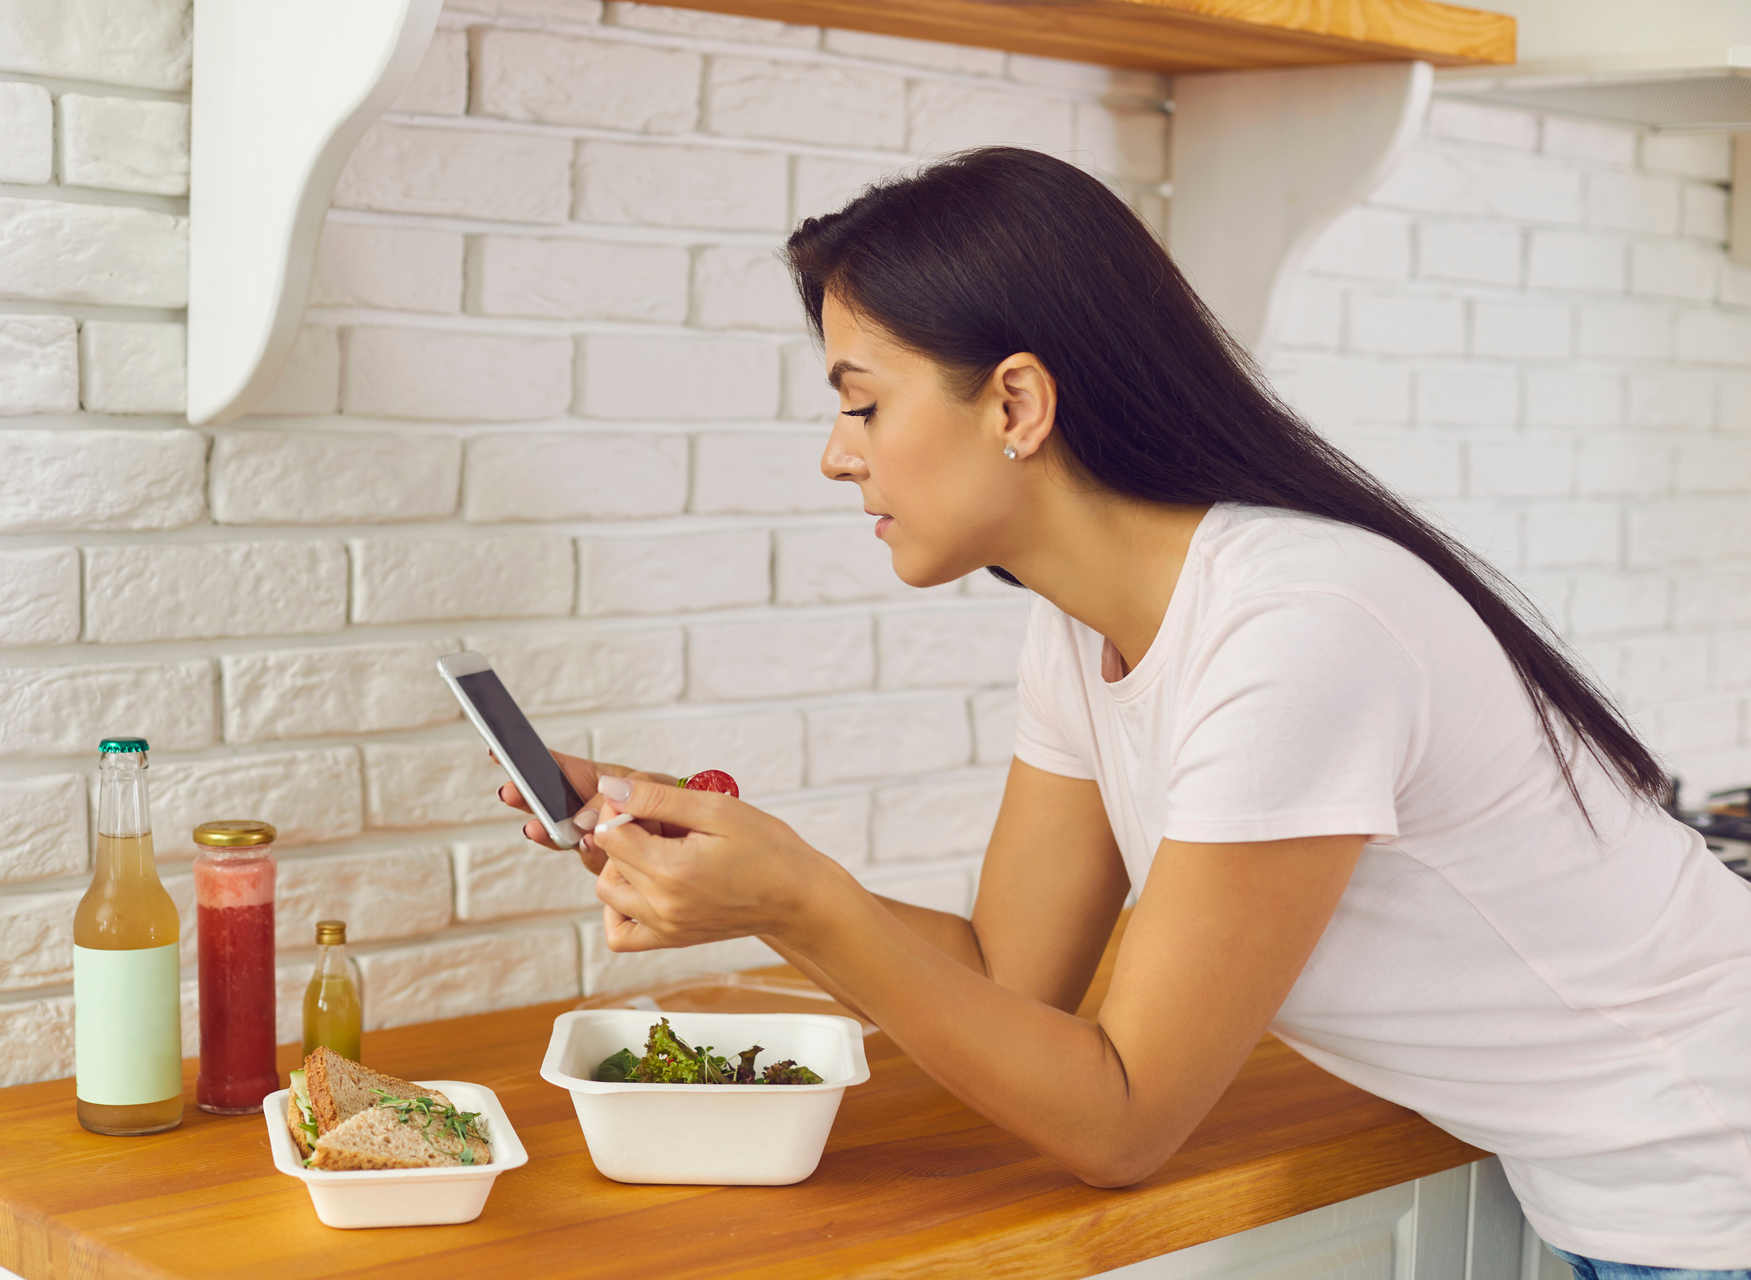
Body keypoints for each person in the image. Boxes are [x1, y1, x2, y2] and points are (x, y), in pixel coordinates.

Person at [500, 147, 1751, 1278]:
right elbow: (1012, 976)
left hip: (1713, 1180)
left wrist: (797, 897)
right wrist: (734, 866)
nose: (838, 454)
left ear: (1015, 404)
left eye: (863, 402)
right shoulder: (1085, 624)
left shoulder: (1296, 625)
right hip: (1631, 1195)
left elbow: (1122, 1118)